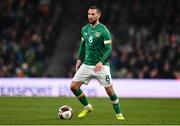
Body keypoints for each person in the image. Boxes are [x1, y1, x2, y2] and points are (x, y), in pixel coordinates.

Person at [70, 6, 125, 120]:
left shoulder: (104, 30)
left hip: (101, 66)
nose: (90, 16)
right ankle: (87, 107)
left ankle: (119, 114)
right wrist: (79, 59)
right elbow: (83, 45)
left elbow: (109, 49)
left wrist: (100, 61)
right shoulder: (84, 29)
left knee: (110, 91)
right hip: (87, 64)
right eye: (89, 14)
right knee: (73, 87)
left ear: (99, 15)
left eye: (93, 14)